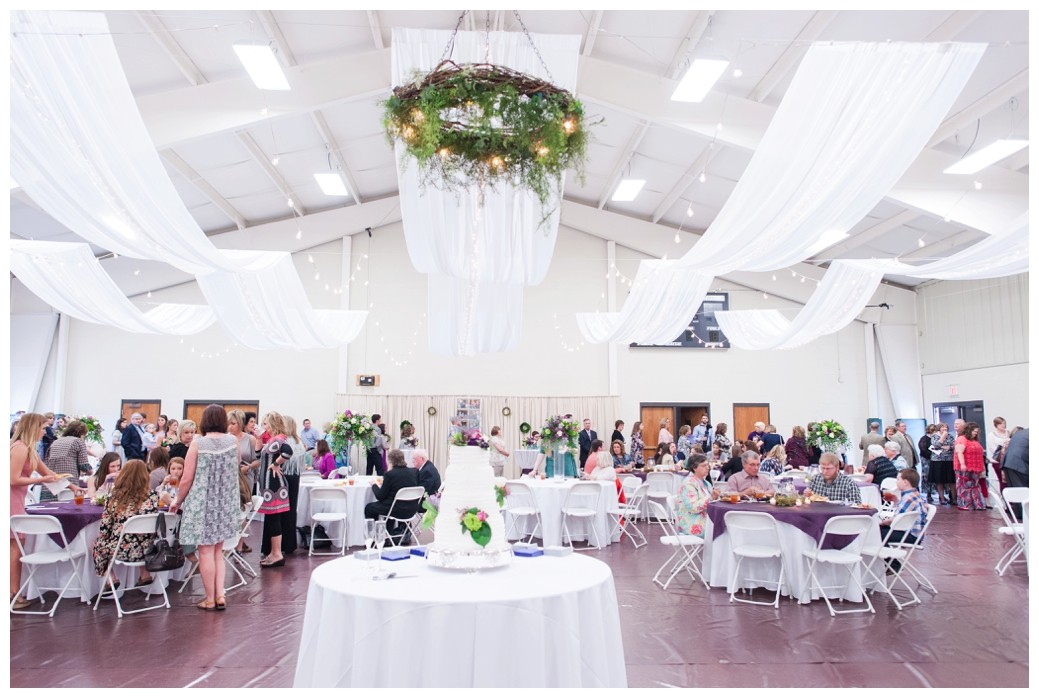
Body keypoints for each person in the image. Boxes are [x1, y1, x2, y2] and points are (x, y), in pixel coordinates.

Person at [170, 404, 240, 611]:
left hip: (203, 503)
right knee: (219, 551)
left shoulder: (198, 444)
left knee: (206, 552)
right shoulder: (233, 441)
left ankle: (210, 598)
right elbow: (235, 467)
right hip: (224, 502)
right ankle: (220, 595)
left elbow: (187, 478)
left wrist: (178, 500)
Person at [10, 413, 68, 609]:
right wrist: (41, 480)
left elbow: (49, 474)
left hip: (17, 499)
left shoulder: (29, 449)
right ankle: (13, 593)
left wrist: (73, 487)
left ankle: (15, 591)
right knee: (15, 548)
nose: (45, 432)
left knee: (16, 547)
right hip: (11, 500)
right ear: (33, 428)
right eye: (43, 428)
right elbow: (13, 479)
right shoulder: (19, 448)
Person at [92, 459, 161, 591]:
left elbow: (105, 529)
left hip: (122, 550)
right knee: (141, 537)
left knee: (97, 545)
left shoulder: (114, 497)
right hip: (150, 549)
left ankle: (111, 578)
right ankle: (145, 574)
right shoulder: (153, 496)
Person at [257, 411, 293, 567]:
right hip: (270, 485)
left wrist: (276, 464)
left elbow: (288, 452)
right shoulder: (274, 440)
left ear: (273, 424)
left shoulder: (278, 439)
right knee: (272, 519)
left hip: (273, 484)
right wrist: (259, 439)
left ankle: (277, 553)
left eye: (265, 423)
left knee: (274, 519)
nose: (264, 426)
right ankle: (274, 552)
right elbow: (258, 455)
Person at [878, 468, 928, 571]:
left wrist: (884, 522)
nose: (896, 482)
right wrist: (896, 501)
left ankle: (892, 564)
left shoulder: (908, 498)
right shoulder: (914, 495)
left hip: (909, 534)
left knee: (877, 534)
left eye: (898, 479)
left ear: (905, 482)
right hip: (914, 533)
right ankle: (889, 562)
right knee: (879, 532)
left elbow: (898, 519)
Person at [364, 449, 420, 534]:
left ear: (391, 461)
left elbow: (380, 496)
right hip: (411, 509)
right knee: (390, 502)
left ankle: (374, 535)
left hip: (396, 510)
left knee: (369, 508)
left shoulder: (390, 475)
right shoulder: (414, 472)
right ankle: (388, 532)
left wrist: (374, 485)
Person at [41, 420, 90, 500]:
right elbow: (84, 466)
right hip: (69, 482)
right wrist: (92, 472)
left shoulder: (56, 441)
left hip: (50, 484)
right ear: (82, 433)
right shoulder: (78, 441)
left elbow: (46, 460)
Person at [675, 454, 712, 536]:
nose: (707, 468)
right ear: (694, 468)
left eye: (708, 465)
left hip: (704, 518)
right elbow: (693, 508)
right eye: (704, 466)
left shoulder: (706, 483)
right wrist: (711, 497)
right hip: (692, 523)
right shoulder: (689, 483)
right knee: (724, 528)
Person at [954, 421, 985, 511]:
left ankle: (977, 504)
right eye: (974, 431)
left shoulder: (975, 441)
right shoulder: (961, 439)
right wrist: (962, 464)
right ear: (969, 430)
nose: (976, 433)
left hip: (975, 467)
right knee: (964, 486)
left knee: (975, 486)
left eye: (977, 432)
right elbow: (959, 452)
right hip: (964, 467)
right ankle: (965, 504)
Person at [227, 410, 258, 494]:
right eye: (228, 424)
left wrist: (248, 467)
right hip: (229, 479)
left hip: (246, 479)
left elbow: (258, 460)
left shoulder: (250, 439)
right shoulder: (225, 439)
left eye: (233, 424)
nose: (230, 427)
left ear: (240, 423)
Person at [1000, 428, 1028, 519]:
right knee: (1023, 491)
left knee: (1016, 490)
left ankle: (1020, 515)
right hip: (1020, 464)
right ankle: (1026, 516)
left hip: (1009, 462)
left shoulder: (1022, 433)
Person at [929, 423, 956, 505]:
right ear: (939, 428)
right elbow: (935, 445)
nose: (945, 429)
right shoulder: (934, 436)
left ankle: (954, 499)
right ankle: (942, 498)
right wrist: (943, 437)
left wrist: (948, 447)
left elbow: (953, 446)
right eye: (942, 427)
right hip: (937, 461)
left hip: (949, 460)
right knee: (939, 480)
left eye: (946, 427)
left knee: (951, 480)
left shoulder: (950, 436)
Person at [988, 417, 1011, 487]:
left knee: (1010, 480)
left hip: (1008, 459)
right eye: (1000, 424)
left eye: (1004, 423)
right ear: (996, 425)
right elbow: (992, 447)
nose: (1003, 425)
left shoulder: (1009, 433)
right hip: (998, 460)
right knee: (1002, 481)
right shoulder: (992, 434)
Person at [918, 424, 938, 503]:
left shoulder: (935, 439)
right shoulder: (924, 439)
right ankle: (928, 493)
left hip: (934, 460)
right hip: (926, 460)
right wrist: (932, 454)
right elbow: (923, 450)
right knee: (927, 476)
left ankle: (936, 492)